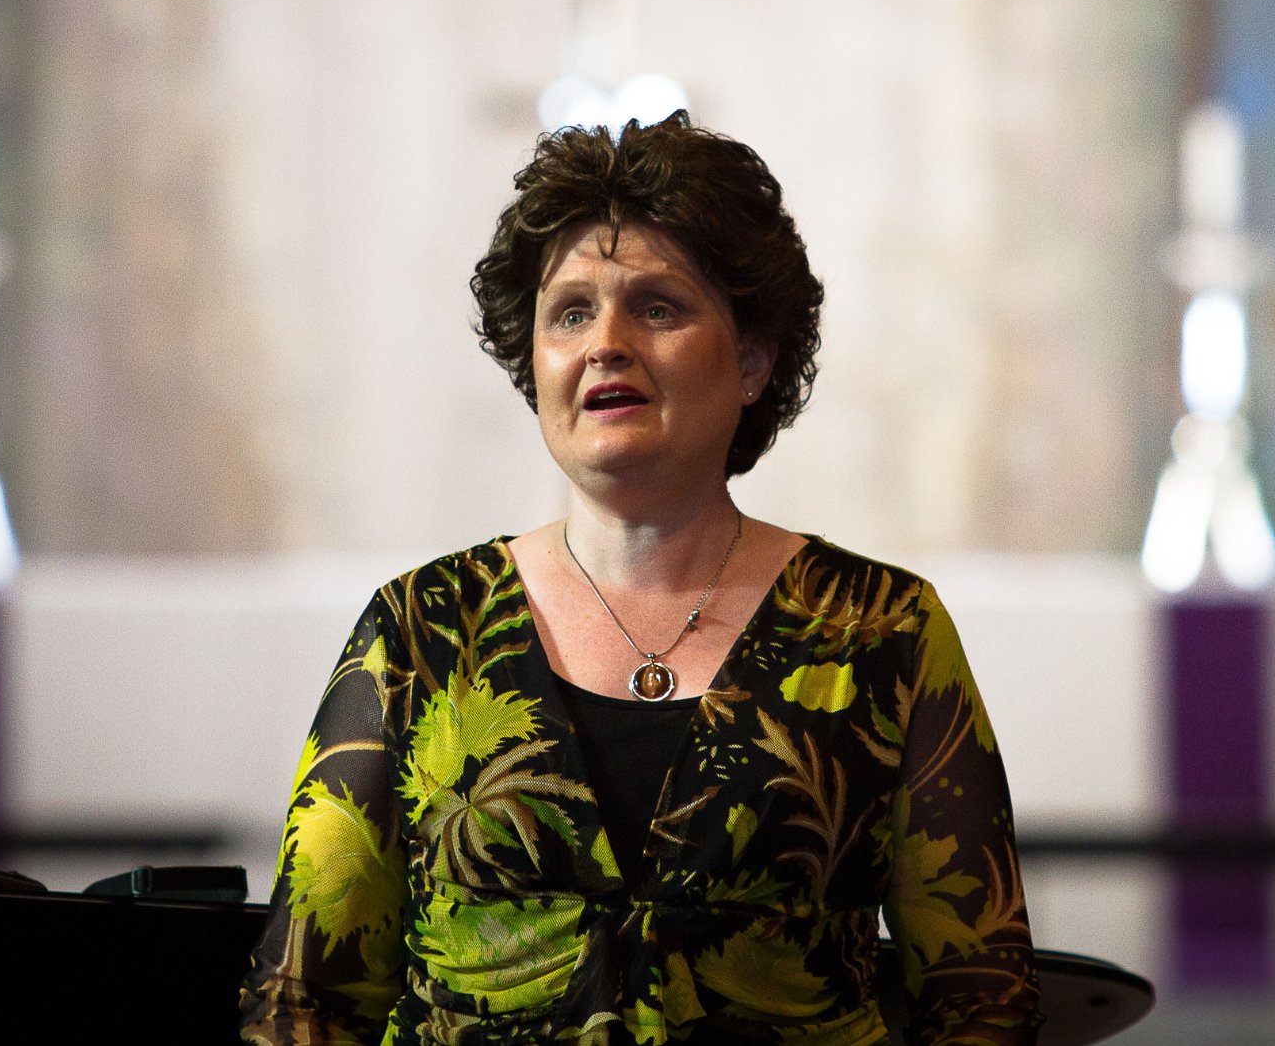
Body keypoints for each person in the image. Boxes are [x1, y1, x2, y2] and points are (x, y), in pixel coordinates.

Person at [240, 113, 1040, 1044]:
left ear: (752, 360)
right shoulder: (423, 628)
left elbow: (983, 998)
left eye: (657, 307)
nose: (606, 343)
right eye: (570, 312)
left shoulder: (881, 630)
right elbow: (303, 999)